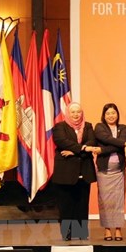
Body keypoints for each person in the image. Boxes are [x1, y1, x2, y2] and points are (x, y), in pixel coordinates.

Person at [52, 102, 100, 240]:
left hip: (84, 171)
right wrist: (83, 149)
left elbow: (92, 142)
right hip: (65, 172)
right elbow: (62, 142)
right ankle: (67, 233)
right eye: (73, 112)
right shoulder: (59, 127)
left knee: (82, 204)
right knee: (66, 204)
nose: (76, 114)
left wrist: (75, 152)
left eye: (78, 112)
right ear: (68, 113)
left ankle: (80, 233)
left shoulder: (89, 126)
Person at [94, 103, 126, 241]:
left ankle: (118, 229)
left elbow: (118, 143)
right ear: (104, 115)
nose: (111, 116)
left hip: (119, 170)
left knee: (119, 201)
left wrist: (103, 149)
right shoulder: (99, 127)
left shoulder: (123, 128)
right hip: (104, 171)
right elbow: (109, 140)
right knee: (105, 201)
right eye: (108, 113)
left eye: (113, 113)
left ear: (117, 114)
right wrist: (124, 144)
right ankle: (108, 229)